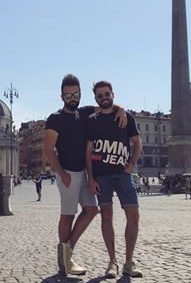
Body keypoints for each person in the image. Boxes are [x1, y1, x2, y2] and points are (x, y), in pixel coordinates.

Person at [44, 74, 126, 276]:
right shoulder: (55, 119)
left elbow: (107, 105)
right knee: (68, 214)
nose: (72, 97)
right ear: (61, 96)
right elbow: (48, 149)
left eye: (75, 94)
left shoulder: (85, 112)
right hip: (69, 173)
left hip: (84, 171)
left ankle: (66, 251)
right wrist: (61, 173)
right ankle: (65, 259)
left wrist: (121, 109)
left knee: (91, 210)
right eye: (68, 95)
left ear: (80, 94)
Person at [86, 80, 143, 278]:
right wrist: (90, 177)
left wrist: (131, 164)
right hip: (102, 175)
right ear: (96, 99)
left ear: (113, 95)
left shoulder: (126, 117)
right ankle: (112, 262)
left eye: (107, 94)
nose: (104, 98)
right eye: (100, 96)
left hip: (123, 174)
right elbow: (88, 151)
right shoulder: (92, 120)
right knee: (106, 216)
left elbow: (137, 143)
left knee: (133, 215)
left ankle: (129, 262)